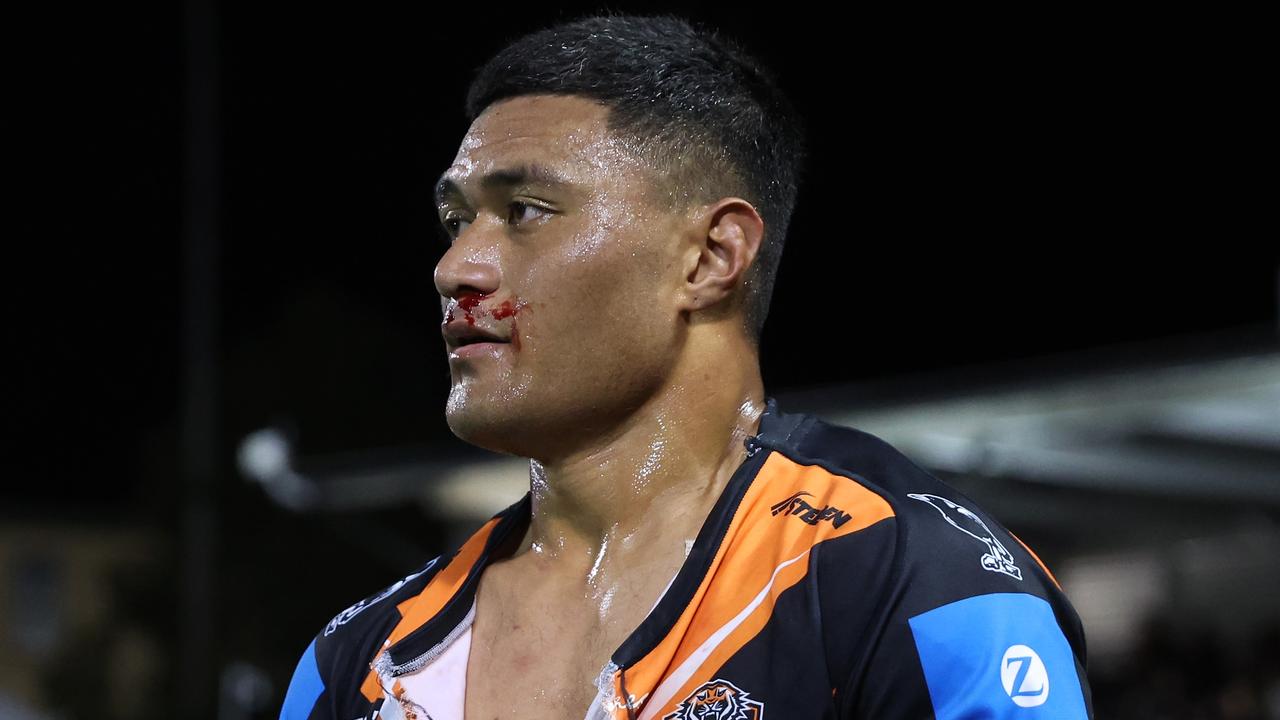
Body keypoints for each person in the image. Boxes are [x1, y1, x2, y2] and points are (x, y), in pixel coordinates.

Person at [279, 12, 1093, 720]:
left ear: (710, 256)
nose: (457, 267)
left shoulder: (913, 582)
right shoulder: (357, 661)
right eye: (457, 219)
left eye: (525, 211)